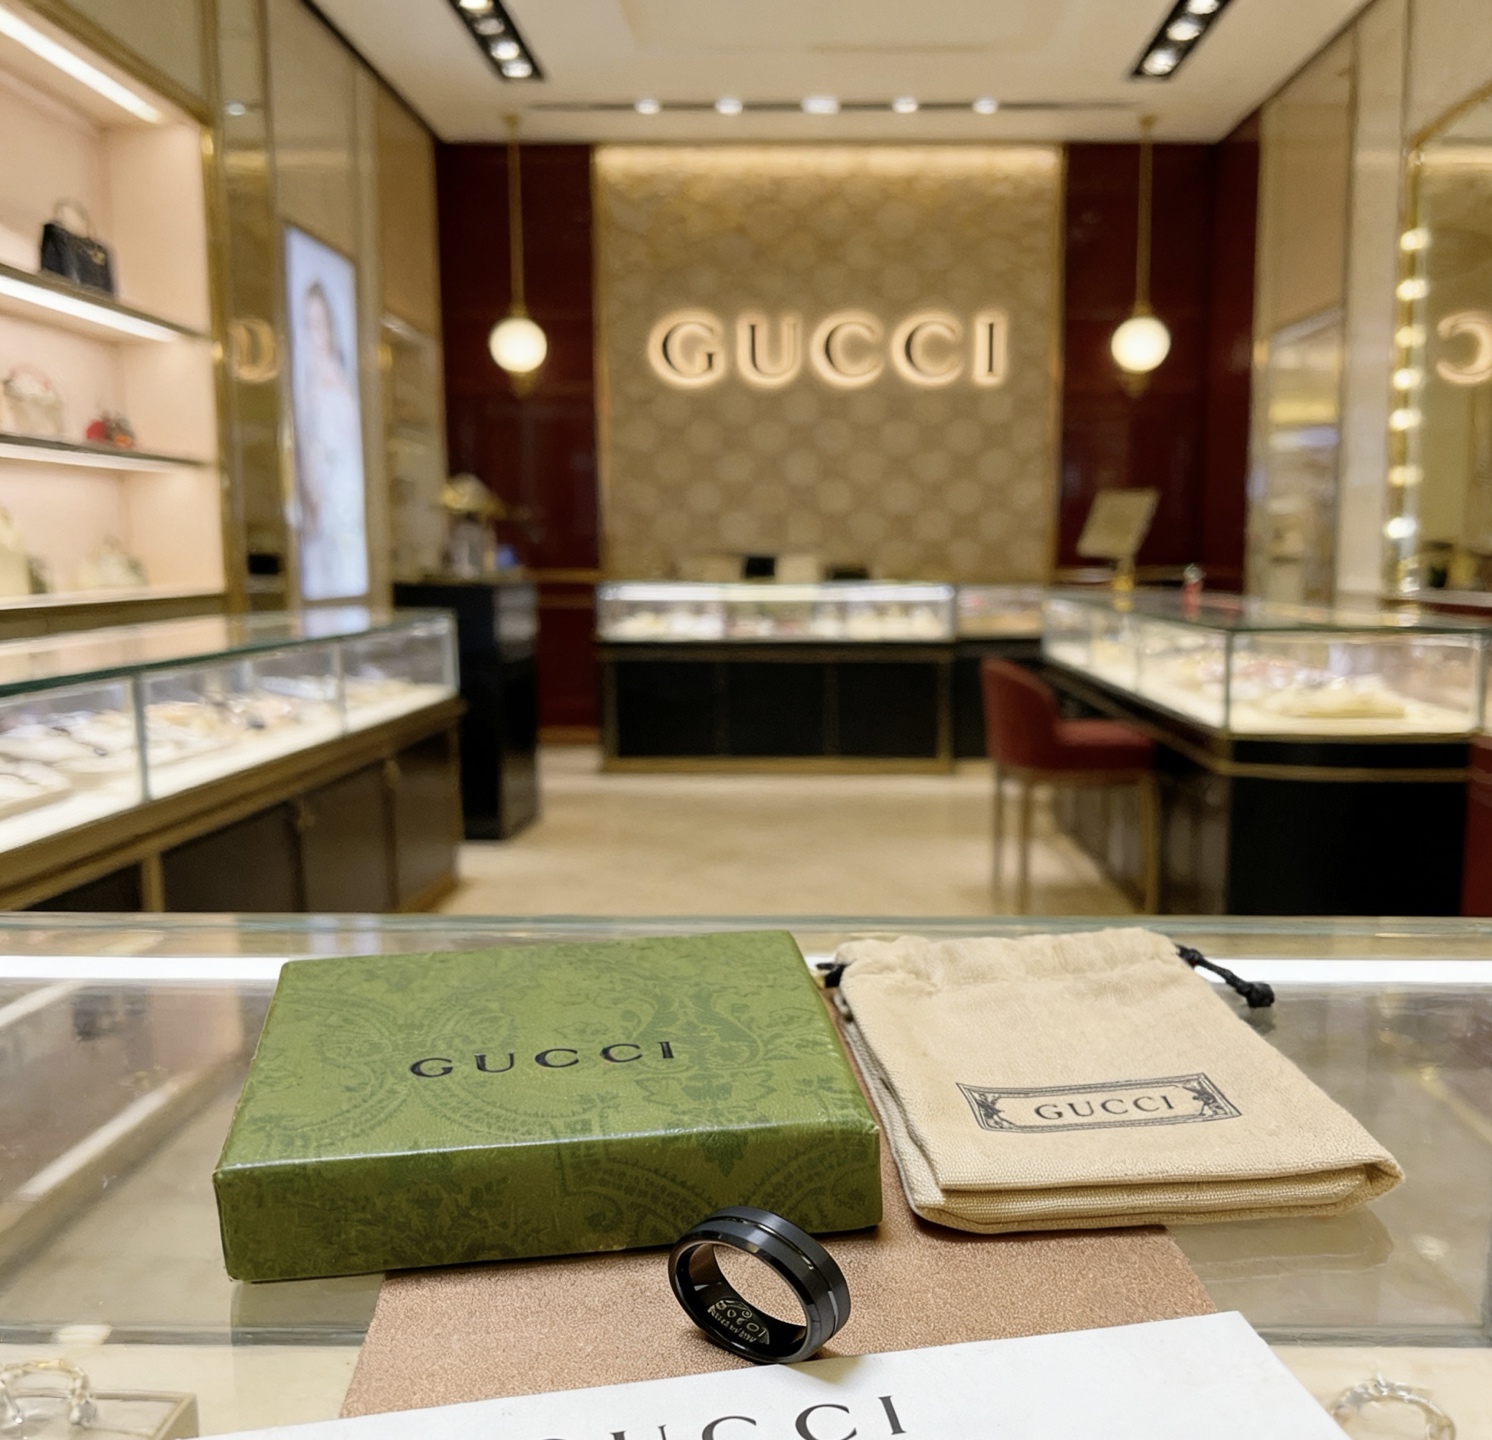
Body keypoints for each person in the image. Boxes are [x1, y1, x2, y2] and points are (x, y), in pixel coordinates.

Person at [294, 278, 368, 600]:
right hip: (327, 491)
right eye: (311, 325)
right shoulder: (308, 380)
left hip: (348, 488)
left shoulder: (345, 373)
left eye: (321, 324)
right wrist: (314, 491)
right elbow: (309, 444)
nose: (318, 334)